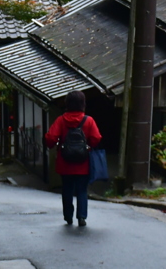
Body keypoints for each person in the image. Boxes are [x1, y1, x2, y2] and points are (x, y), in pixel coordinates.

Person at [44, 90, 101, 227]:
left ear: (67, 104)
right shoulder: (88, 120)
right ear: (83, 103)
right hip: (83, 163)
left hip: (65, 162)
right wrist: (88, 146)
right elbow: (96, 138)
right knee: (82, 190)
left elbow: (50, 138)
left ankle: (68, 216)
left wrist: (54, 144)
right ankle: (81, 217)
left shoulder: (61, 120)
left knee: (67, 189)